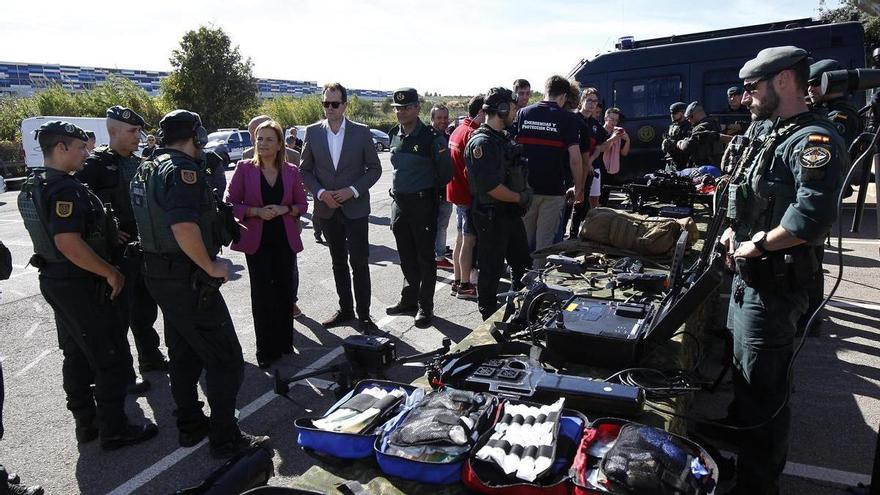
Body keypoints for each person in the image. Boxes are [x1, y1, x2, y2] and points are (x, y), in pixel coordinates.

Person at [720, 46, 847, 494]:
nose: (746, 96)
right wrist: (734, 233)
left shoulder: (813, 140)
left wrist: (755, 244)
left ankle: (758, 485)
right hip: (746, 280)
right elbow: (751, 196)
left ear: (784, 82)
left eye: (753, 87)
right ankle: (746, 463)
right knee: (744, 378)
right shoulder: (772, 132)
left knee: (764, 397)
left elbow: (808, 220)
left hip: (773, 287)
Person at [131, 109, 268, 458]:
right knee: (226, 360)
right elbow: (183, 227)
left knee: (184, 351)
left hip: (158, 273)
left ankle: (191, 424)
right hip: (187, 277)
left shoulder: (147, 167)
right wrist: (211, 265)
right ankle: (225, 438)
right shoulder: (182, 170)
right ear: (195, 136)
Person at [18, 121, 158, 450]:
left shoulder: (36, 183)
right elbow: (68, 241)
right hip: (80, 281)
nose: (87, 153)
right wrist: (109, 271)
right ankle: (114, 428)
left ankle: (87, 421)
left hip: (57, 278)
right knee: (108, 355)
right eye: (80, 148)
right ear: (61, 148)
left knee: (76, 353)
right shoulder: (64, 188)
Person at [75, 106, 168, 379]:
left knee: (145, 308)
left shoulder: (139, 163)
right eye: (131, 131)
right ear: (113, 131)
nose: (137, 136)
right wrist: (108, 231)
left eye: (139, 131)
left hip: (143, 248)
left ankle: (150, 358)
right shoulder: (94, 165)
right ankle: (124, 373)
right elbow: (80, 205)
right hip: (115, 253)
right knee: (118, 316)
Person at [300, 82, 382, 333]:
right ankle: (345, 309)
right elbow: (304, 170)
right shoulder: (313, 132)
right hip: (328, 210)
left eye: (335, 104)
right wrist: (322, 193)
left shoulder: (361, 132)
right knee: (338, 262)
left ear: (344, 105)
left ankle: (364, 315)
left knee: (359, 262)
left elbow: (375, 168)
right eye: (326, 103)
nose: (330, 108)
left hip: (355, 209)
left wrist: (353, 190)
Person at [226, 120, 308, 368]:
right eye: (259, 139)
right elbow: (230, 203)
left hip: (284, 239)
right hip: (257, 242)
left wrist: (286, 208)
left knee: (284, 292)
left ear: (280, 143)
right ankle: (266, 350)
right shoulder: (244, 168)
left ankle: (284, 344)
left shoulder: (291, 171)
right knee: (262, 295)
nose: (262, 143)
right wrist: (254, 211)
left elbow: (302, 204)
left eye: (269, 139)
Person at [386, 88, 452, 328]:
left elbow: (446, 173)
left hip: (423, 203)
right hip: (400, 203)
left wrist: (427, 192)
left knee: (425, 257)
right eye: (397, 108)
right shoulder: (395, 134)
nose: (401, 112)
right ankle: (409, 299)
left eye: (406, 107)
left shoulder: (432, 137)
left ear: (417, 108)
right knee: (406, 256)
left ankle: (426, 306)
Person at [804, 58, 861, 332]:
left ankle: (810, 319)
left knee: (811, 260)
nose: (811, 89)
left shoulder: (841, 114)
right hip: (824, 190)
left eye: (815, 83)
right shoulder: (825, 110)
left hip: (826, 192)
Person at [465, 88, 532, 320]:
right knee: (491, 270)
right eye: (513, 108)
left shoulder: (502, 138)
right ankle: (488, 318)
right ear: (501, 109)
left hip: (509, 215)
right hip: (492, 216)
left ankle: (519, 309)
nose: (515, 112)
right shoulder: (482, 144)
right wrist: (520, 197)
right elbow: (491, 187)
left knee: (523, 263)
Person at [516, 75, 583, 251]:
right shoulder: (568, 119)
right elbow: (575, 159)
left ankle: (522, 274)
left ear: (546, 91)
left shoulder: (524, 113)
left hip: (527, 188)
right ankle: (537, 276)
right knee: (544, 243)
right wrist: (578, 187)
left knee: (524, 238)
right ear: (563, 96)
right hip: (553, 190)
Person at [447, 95, 485, 299]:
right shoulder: (471, 133)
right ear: (481, 112)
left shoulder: (458, 130)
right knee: (468, 241)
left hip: (456, 193)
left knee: (461, 239)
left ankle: (457, 280)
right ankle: (464, 285)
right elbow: (472, 171)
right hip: (466, 195)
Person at [430, 104, 454, 269]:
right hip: (434, 191)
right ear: (432, 119)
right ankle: (438, 257)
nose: (443, 121)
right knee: (437, 225)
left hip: (445, 190)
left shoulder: (447, 137)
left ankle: (438, 252)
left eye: (445, 118)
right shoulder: (429, 138)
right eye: (439, 118)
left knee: (441, 224)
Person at [597, 107, 630, 206]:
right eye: (612, 119)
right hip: (599, 167)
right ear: (605, 118)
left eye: (616, 120)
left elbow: (624, 153)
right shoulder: (599, 131)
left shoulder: (618, 132)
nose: (614, 122)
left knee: (605, 198)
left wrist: (628, 140)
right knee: (596, 196)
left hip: (612, 169)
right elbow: (601, 149)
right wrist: (613, 138)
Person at [677, 102, 723, 167]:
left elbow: (688, 146)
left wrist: (680, 143)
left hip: (704, 165)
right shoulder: (713, 122)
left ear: (697, 114)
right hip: (715, 162)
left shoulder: (701, 127)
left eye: (690, 117)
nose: (689, 120)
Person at [661, 102, 692, 171]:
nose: (672, 115)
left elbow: (688, 146)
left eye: (675, 113)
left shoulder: (689, 126)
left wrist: (674, 144)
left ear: (683, 113)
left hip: (683, 163)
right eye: (671, 113)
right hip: (671, 162)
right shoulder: (673, 126)